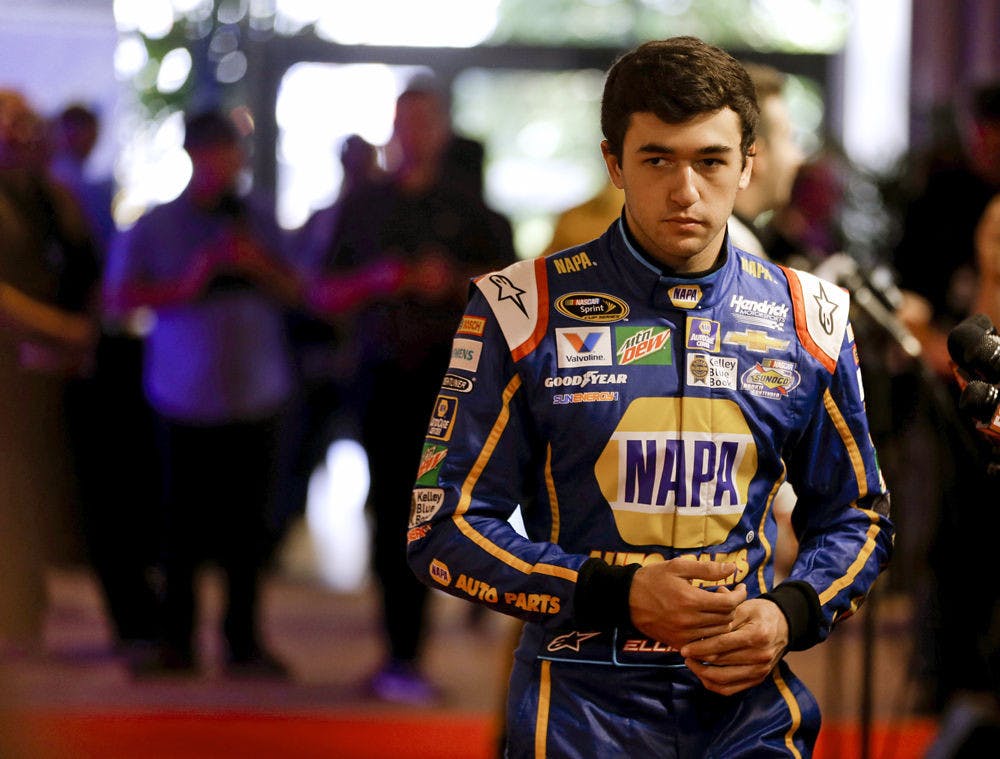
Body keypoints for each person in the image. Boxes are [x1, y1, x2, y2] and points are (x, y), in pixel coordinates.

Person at [407, 36, 893, 757]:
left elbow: (858, 515)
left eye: (710, 160)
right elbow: (440, 530)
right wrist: (616, 592)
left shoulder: (810, 317)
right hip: (577, 709)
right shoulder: (518, 307)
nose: (686, 190)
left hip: (748, 707)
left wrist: (790, 613)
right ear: (615, 163)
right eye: (657, 159)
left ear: (747, 163)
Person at [323, 81, 517, 703]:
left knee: (438, 516)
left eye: (426, 121)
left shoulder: (474, 211)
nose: (415, 132)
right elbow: (320, 291)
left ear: (442, 129)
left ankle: (417, 647)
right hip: (380, 380)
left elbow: (513, 298)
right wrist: (379, 280)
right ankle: (398, 654)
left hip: (454, 390)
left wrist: (452, 281)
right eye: (405, 120)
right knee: (388, 517)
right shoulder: (365, 206)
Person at [103, 109, 302, 678]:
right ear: (191, 153)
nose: (222, 162)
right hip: (181, 395)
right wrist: (191, 281)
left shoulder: (260, 219)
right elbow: (118, 302)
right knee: (180, 529)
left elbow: (304, 290)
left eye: (231, 150)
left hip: (258, 392)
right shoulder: (155, 225)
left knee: (249, 529)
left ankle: (244, 642)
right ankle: (176, 642)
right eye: (211, 150)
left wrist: (255, 264)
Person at [0, 89, 100, 652]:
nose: (20, 130)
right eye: (8, 120)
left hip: (52, 372)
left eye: (27, 121)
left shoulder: (54, 196)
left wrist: (78, 336)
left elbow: (90, 273)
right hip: (11, 369)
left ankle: (28, 609)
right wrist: (63, 332)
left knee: (42, 494)